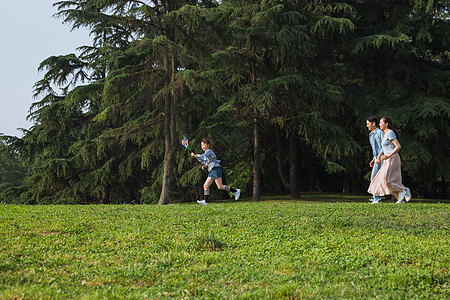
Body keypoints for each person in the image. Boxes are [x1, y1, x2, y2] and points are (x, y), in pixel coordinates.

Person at [368, 116, 411, 204]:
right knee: (384, 180)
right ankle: (401, 198)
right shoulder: (384, 134)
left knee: (387, 180)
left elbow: (398, 146)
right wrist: (378, 157)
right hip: (387, 159)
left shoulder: (390, 132)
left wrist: (388, 155)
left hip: (393, 158)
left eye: (381, 122)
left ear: (386, 124)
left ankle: (404, 190)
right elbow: (382, 149)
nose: (379, 124)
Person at [191, 138, 240, 205]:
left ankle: (236, 191)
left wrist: (195, 155)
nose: (202, 147)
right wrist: (205, 166)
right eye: (201, 145)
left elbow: (203, 157)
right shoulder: (208, 152)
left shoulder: (208, 151)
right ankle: (206, 201)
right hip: (213, 170)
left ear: (208, 145)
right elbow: (209, 161)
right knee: (206, 185)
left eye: (204, 145)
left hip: (215, 169)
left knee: (220, 186)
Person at [366, 116, 384, 203]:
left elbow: (383, 147)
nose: (367, 126)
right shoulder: (370, 135)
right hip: (377, 159)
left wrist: (378, 157)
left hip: (382, 159)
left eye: (368, 124)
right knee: (375, 178)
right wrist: (374, 158)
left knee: (375, 178)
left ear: (373, 123)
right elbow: (375, 149)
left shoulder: (380, 133)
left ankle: (377, 198)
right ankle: (376, 198)